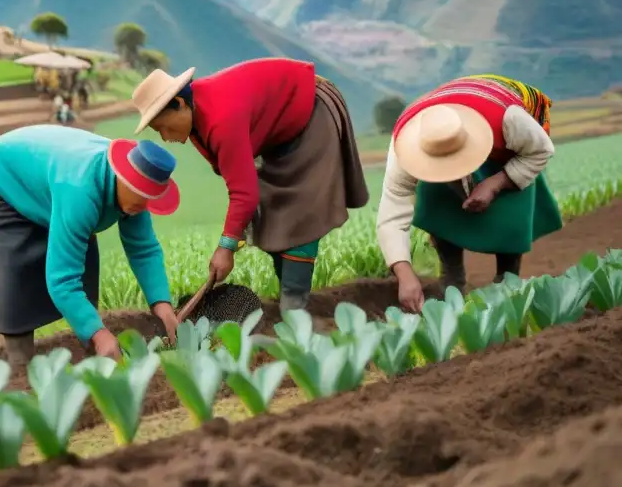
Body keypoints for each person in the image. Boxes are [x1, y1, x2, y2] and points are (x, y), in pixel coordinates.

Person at [131, 59, 369, 314]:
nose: (165, 137)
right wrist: (235, 233)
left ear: (179, 104)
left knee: (301, 214)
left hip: (311, 112)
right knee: (272, 215)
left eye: (163, 127)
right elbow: (237, 178)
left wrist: (226, 247)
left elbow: (244, 192)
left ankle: (295, 305)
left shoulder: (221, 118)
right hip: (278, 134)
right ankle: (291, 300)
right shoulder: (196, 120)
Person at [0, 124, 181, 365]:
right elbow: (62, 279)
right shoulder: (81, 191)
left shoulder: (137, 193)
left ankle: (93, 352)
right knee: (17, 266)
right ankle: (20, 367)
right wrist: (100, 335)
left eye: (149, 198)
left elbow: (143, 248)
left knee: (83, 254)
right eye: (140, 195)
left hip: (49, 179)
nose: (143, 206)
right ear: (121, 178)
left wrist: (161, 303)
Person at [376, 75, 561, 313]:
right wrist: (404, 274)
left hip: (500, 151)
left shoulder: (508, 119)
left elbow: (540, 151)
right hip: (446, 145)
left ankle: (507, 279)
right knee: (437, 204)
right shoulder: (405, 143)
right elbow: (393, 210)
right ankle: (452, 279)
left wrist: (497, 183)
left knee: (512, 212)